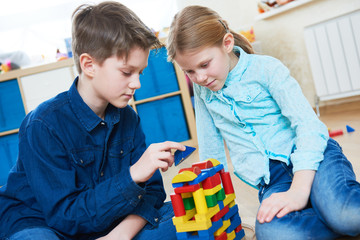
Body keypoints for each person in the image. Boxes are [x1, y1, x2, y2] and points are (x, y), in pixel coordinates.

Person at [166, 5, 360, 240]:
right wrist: (214, 208)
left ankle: (330, 212)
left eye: (205, 65)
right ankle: (327, 214)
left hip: (314, 159)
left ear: (227, 44)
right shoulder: (203, 91)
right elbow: (211, 152)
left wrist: (299, 191)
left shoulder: (266, 69)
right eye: (189, 72)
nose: (200, 78)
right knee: (272, 232)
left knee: (345, 214)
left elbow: (309, 127)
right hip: (273, 180)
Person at [0, 2, 185, 240]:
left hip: (111, 223)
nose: (137, 84)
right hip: (46, 225)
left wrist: (119, 235)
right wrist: (133, 174)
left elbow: (153, 192)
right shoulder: (43, 124)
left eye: (140, 72)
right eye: (127, 72)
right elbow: (65, 217)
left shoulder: (127, 117)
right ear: (89, 65)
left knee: (186, 219)